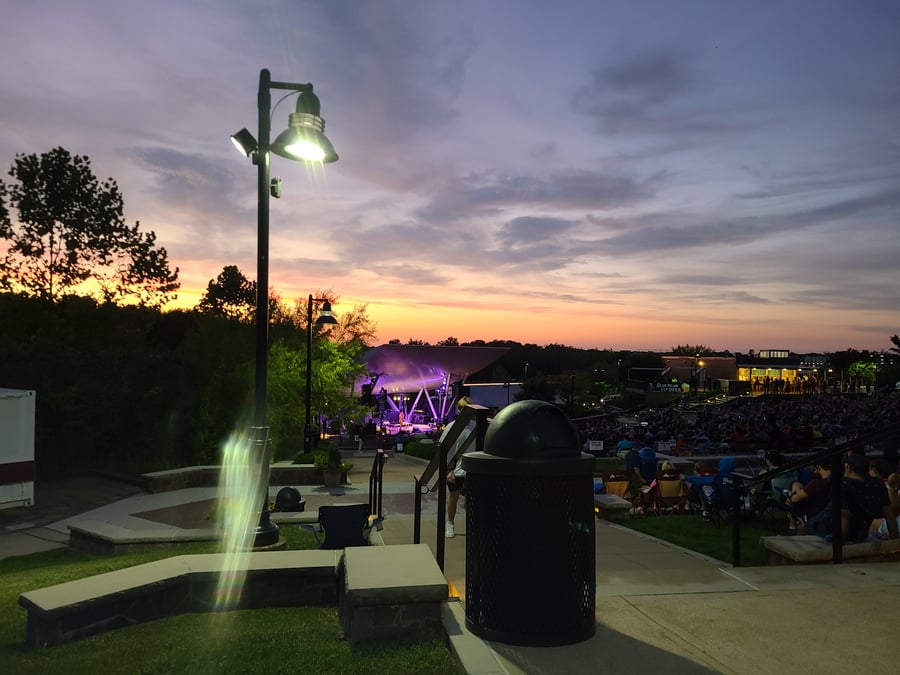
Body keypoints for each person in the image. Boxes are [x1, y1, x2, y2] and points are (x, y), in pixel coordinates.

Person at [801, 454, 898, 543]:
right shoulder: (878, 484)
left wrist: (840, 544)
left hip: (827, 527)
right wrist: (895, 539)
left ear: (847, 467)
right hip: (860, 532)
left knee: (802, 529)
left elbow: (844, 515)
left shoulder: (844, 483)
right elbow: (889, 514)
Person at [443, 397, 476, 538]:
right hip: (456, 469)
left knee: (472, 499)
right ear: (459, 410)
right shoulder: (452, 426)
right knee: (453, 496)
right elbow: (445, 449)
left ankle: (472, 526)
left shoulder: (476, 426)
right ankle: (449, 523)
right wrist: (448, 470)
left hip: (472, 468)